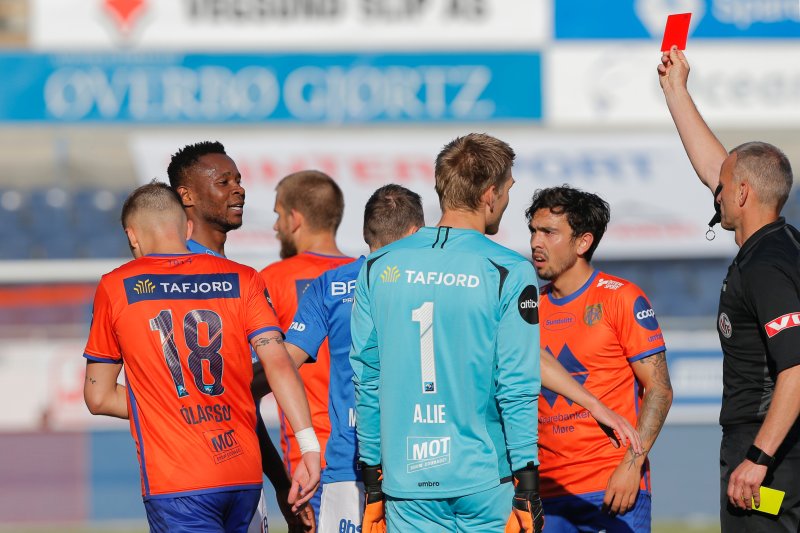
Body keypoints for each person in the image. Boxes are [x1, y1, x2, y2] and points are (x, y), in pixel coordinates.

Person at [288, 183, 642, 533]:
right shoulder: (474, 273)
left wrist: (310, 448)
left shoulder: (334, 282)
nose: (535, 241)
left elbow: (287, 366)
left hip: (368, 469)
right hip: (470, 473)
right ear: (417, 232)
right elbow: (519, 370)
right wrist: (586, 409)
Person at [82, 182, 321, 533]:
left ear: (132, 236)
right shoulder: (243, 278)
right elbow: (279, 363)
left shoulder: (117, 286)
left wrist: (163, 403)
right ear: (188, 227)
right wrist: (309, 446)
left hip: (178, 482)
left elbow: (99, 396)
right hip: (243, 474)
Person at [349, 133, 543, 533]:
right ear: (490, 194)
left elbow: (367, 380)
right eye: (508, 190)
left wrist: (372, 480)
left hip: (407, 482)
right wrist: (528, 484)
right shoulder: (509, 269)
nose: (506, 200)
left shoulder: (376, 266)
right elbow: (518, 385)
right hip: (485, 482)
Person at [659, 47, 800, 531]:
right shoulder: (779, 243)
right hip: (770, 447)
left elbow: (797, 369)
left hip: (769, 454)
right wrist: (676, 91)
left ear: (742, 194)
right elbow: (717, 168)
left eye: (721, 187)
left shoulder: (766, 265)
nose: (712, 193)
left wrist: (759, 457)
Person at [167, 141, 313, 531]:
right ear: (186, 195)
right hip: (191, 484)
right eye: (223, 181)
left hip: (239, 478)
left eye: (239, 179)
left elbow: (240, 399)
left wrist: (281, 486)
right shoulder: (173, 278)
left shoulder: (240, 276)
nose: (239, 189)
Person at [526, 185, 673, 532]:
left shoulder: (621, 298)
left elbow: (660, 390)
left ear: (583, 242)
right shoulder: (528, 307)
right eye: (533, 231)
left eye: (549, 232)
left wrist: (631, 465)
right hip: (546, 491)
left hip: (611, 487)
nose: (535, 242)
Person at [257, 170, 354, 521]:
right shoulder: (366, 276)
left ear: (295, 219)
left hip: (310, 463)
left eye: (278, 215)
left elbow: (261, 373)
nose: (276, 226)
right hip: (369, 450)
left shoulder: (272, 280)